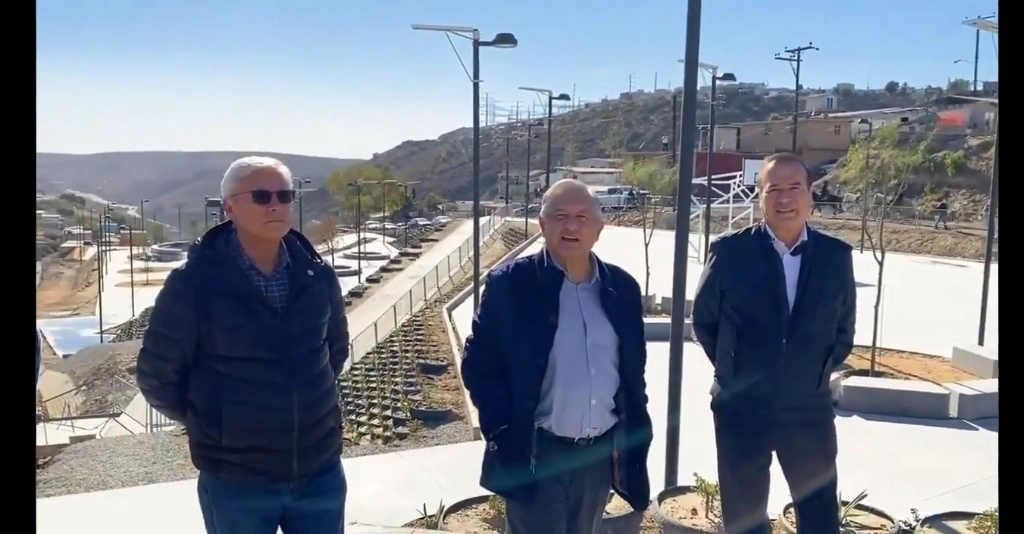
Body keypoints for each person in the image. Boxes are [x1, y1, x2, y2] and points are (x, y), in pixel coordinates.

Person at [136, 156, 349, 534]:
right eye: (262, 195)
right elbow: (158, 376)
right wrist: (214, 423)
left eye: (285, 195)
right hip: (236, 482)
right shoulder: (193, 285)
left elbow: (334, 352)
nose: (276, 205)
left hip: (320, 472)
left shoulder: (318, 276)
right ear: (229, 207)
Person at [461, 179, 653, 534]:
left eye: (582, 217)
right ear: (542, 223)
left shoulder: (622, 289)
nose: (571, 226)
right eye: (560, 216)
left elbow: (632, 371)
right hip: (537, 452)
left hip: (598, 455)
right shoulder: (512, 284)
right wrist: (501, 429)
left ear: (599, 228)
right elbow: (479, 363)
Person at [692, 153, 856, 534]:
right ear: (760, 197)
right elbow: (705, 320)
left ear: (810, 195)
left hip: (808, 408)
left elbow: (843, 330)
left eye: (794, 188)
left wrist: (812, 374)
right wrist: (734, 371)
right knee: (744, 517)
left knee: (818, 516)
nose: (784, 198)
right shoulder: (730, 252)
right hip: (741, 406)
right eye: (773, 189)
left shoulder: (836, 257)